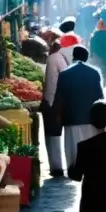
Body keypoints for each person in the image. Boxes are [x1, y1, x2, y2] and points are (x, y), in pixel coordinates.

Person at [53, 47, 105, 176]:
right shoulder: (94, 72)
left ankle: (73, 169)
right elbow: (100, 97)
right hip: (90, 117)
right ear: (87, 58)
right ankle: (90, 167)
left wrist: (58, 115)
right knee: (90, 145)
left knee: (72, 146)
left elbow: (59, 97)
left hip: (71, 117)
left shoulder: (65, 74)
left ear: (73, 56)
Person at [42, 40, 69, 177]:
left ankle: (56, 166)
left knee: (52, 135)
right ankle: (57, 165)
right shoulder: (60, 58)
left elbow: (52, 82)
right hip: (58, 100)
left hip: (54, 101)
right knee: (55, 134)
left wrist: (49, 101)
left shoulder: (54, 58)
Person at [88, 19, 106, 87]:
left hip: (98, 56)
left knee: (101, 70)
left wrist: (91, 55)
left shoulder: (95, 35)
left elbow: (92, 47)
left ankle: (101, 84)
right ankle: (104, 84)